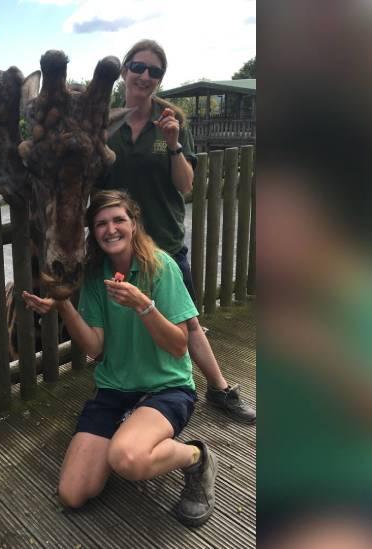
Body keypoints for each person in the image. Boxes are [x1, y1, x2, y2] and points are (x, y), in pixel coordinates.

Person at [22, 190, 217, 527]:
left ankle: (196, 457)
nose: (110, 229)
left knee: (126, 458)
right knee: (73, 493)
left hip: (166, 388)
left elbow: (178, 346)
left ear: (133, 223)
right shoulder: (97, 276)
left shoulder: (162, 267)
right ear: (93, 232)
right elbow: (95, 349)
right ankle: (128, 434)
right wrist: (64, 304)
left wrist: (144, 305)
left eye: (118, 220)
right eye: (100, 224)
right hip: (114, 391)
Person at [95, 39, 256, 423]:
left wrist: (172, 145)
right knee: (121, 320)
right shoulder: (103, 126)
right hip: (118, 246)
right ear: (125, 72)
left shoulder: (171, 120)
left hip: (164, 241)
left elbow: (186, 185)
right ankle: (130, 395)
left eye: (155, 71)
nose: (145, 76)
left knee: (187, 322)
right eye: (138, 67)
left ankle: (219, 388)